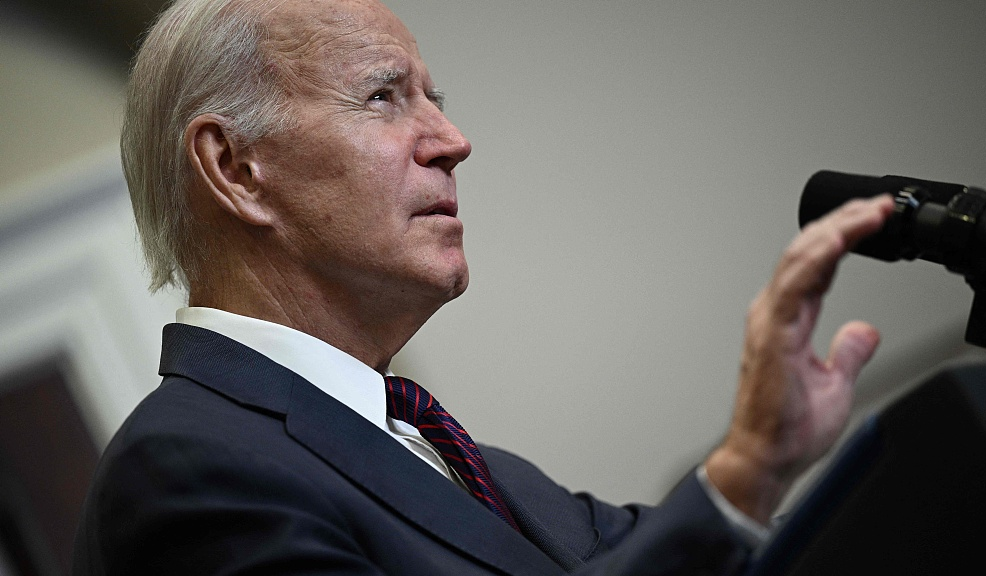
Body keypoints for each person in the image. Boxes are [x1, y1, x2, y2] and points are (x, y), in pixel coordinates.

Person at [72, 0, 895, 574]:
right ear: (236, 168)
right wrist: (745, 470)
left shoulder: (457, 460)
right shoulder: (189, 469)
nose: (454, 141)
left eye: (436, 99)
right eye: (383, 96)